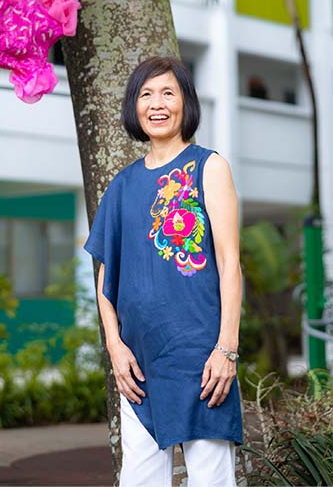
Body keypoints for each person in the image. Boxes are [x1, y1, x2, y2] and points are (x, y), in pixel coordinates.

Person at [84, 55, 243, 487]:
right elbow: (105, 279)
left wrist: (226, 350)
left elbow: (230, 264)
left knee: (210, 480)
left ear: (185, 103)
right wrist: (116, 349)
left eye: (168, 93)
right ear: (134, 107)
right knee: (139, 481)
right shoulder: (120, 187)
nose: (157, 104)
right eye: (146, 94)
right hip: (139, 367)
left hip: (202, 360)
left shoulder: (209, 167)